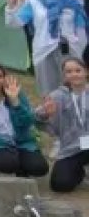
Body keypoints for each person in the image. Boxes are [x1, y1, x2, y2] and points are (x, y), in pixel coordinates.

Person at [5, 0, 88, 97]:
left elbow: (81, 31)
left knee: (73, 90)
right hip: (43, 51)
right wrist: (11, 5)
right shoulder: (34, 3)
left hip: (70, 52)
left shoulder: (73, 3)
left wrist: (79, 54)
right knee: (48, 92)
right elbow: (14, 24)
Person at [34, 57, 89, 192]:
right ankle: (79, 172)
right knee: (60, 184)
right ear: (64, 75)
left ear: (86, 72)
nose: (74, 74)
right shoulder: (57, 96)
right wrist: (46, 114)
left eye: (78, 70)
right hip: (71, 148)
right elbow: (35, 118)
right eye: (69, 72)